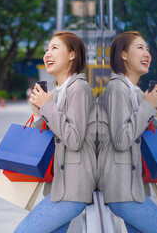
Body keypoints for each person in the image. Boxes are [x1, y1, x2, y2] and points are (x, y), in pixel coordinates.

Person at [14, 32, 96, 233]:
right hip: (61, 187)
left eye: (54, 48)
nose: (47, 54)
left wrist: (48, 107)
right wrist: (38, 114)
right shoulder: (59, 91)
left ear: (71, 55)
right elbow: (48, 137)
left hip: (72, 190)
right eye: (46, 50)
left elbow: (74, 139)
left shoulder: (79, 88)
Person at [97, 31, 157, 233]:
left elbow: (151, 138)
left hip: (133, 189)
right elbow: (121, 139)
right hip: (122, 191)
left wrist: (156, 114)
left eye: (148, 49)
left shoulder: (137, 93)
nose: (147, 54)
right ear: (123, 54)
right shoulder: (117, 89)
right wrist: (147, 108)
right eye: (140, 48)